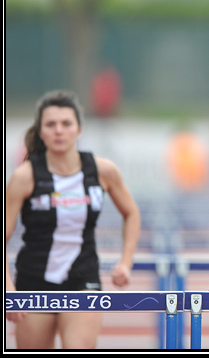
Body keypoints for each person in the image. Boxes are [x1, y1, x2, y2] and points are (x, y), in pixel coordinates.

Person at [5, 90, 141, 349]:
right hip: (34, 282)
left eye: (66, 123)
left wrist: (126, 262)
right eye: (51, 124)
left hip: (83, 280)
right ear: (41, 131)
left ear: (79, 129)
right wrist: (7, 286)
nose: (59, 131)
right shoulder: (25, 176)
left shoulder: (102, 170)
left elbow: (131, 212)